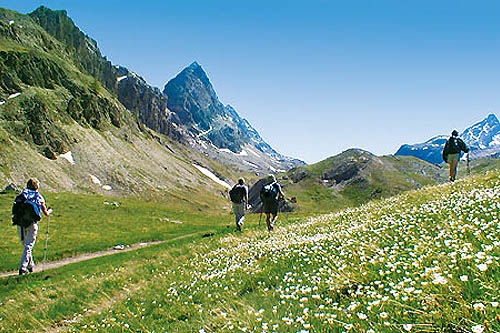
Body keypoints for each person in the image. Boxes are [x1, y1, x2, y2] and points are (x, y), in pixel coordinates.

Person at [17, 178, 51, 275]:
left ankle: (31, 265)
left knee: (25, 245)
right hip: (32, 223)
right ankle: (23, 268)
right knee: (28, 246)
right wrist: (49, 212)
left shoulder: (22, 195)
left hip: (20, 222)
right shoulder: (38, 196)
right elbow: (45, 213)